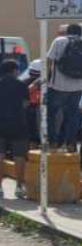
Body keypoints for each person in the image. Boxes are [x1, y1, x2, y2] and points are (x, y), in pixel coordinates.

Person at [0, 60, 29, 198]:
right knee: (19, 157)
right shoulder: (22, 85)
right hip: (18, 125)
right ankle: (19, 187)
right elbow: (25, 104)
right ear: (14, 70)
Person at [47, 23, 82, 152]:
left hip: (58, 86)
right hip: (78, 86)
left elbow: (50, 59)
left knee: (52, 114)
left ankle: (53, 143)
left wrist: (48, 78)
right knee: (73, 115)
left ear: (67, 32)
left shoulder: (59, 41)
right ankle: (70, 144)